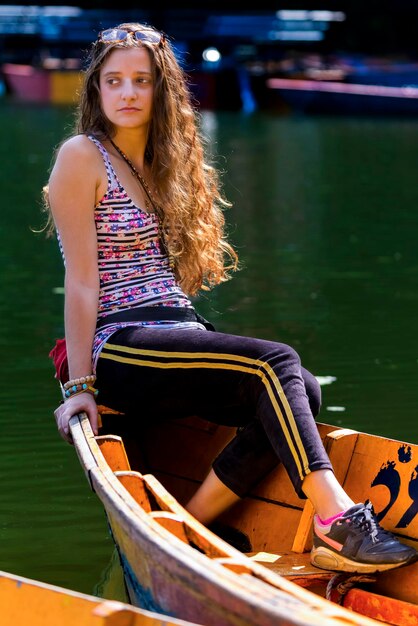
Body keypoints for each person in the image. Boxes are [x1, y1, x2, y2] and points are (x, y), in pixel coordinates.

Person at [45, 21, 417, 574]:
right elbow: (81, 281)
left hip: (178, 333)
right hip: (118, 342)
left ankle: (187, 524)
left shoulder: (165, 163)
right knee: (278, 362)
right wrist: (79, 385)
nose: (127, 93)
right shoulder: (82, 155)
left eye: (141, 81)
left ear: (161, 89)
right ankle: (335, 520)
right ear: (96, 90)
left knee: (302, 392)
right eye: (114, 81)